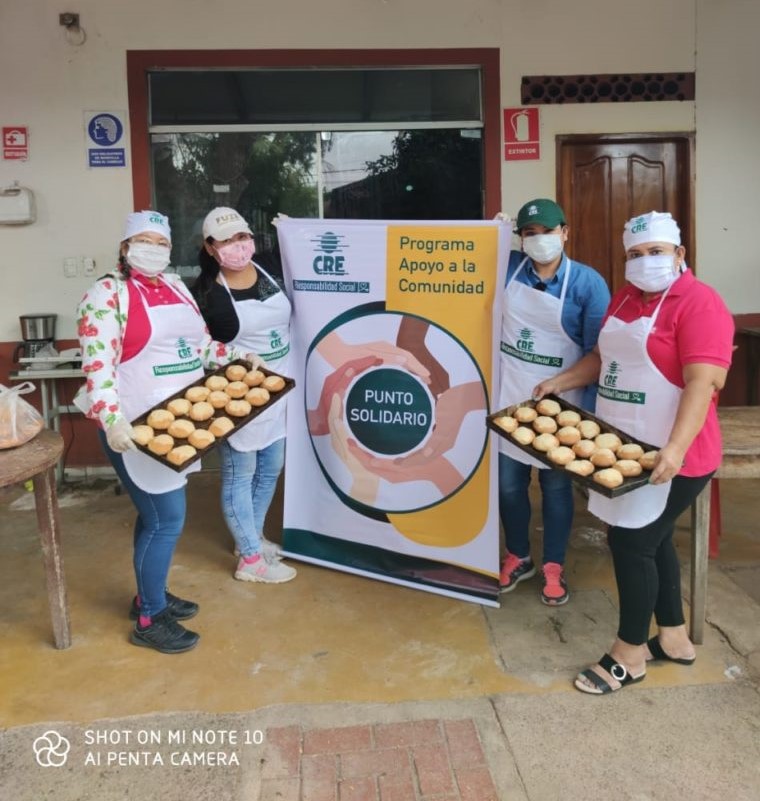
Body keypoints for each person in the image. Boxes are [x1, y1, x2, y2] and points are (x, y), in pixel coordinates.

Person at [533, 211, 734, 694]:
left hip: (674, 455)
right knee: (655, 540)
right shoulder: (625, 298)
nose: (645, 263)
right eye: (635, 255)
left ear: (679, 254)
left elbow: (701, 382)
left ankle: (629, 654)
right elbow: (604, 358)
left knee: (631, 543)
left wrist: (675, 450)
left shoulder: (700, 303)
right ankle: (675, 638)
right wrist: (560, 382)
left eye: (656, 253)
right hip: (624, 446)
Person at [75, 210, 260, 654]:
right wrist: (110, 417)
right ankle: (149, 618)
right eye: (143, 241)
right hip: (136, 425)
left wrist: (234, 355)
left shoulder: (176, 286)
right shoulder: (107, 294)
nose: (153, 249)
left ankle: (149, 594)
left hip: (181, 418)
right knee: (168, 519)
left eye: (160, 242)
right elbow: (96, 361)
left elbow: (196, 346)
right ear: (125, 248)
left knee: (155, 517)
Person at [498, 199, 610, 605]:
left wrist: (558, 382)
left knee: (556, 487)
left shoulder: (587, 284)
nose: (538, 239)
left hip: (563, 402)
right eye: (529, 233)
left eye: (546, 231)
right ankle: (518, 555)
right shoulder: (509, 269)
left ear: (564, 232)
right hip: (511, 398)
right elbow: (461, 253)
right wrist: (489, 233)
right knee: (509, 486)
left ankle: (554, 566)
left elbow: (599, 355)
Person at [191, 207, 297, 584]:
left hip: (281, 387)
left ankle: (250, 539)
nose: (238, 246)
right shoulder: (207, 293)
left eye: (242, 237)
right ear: (209, 247)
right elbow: (196, 346)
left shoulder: (270, 271)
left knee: (271, 469)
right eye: (226, 241)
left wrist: (293, 230)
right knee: (240, 473)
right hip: (240, 395)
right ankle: (250, 561)